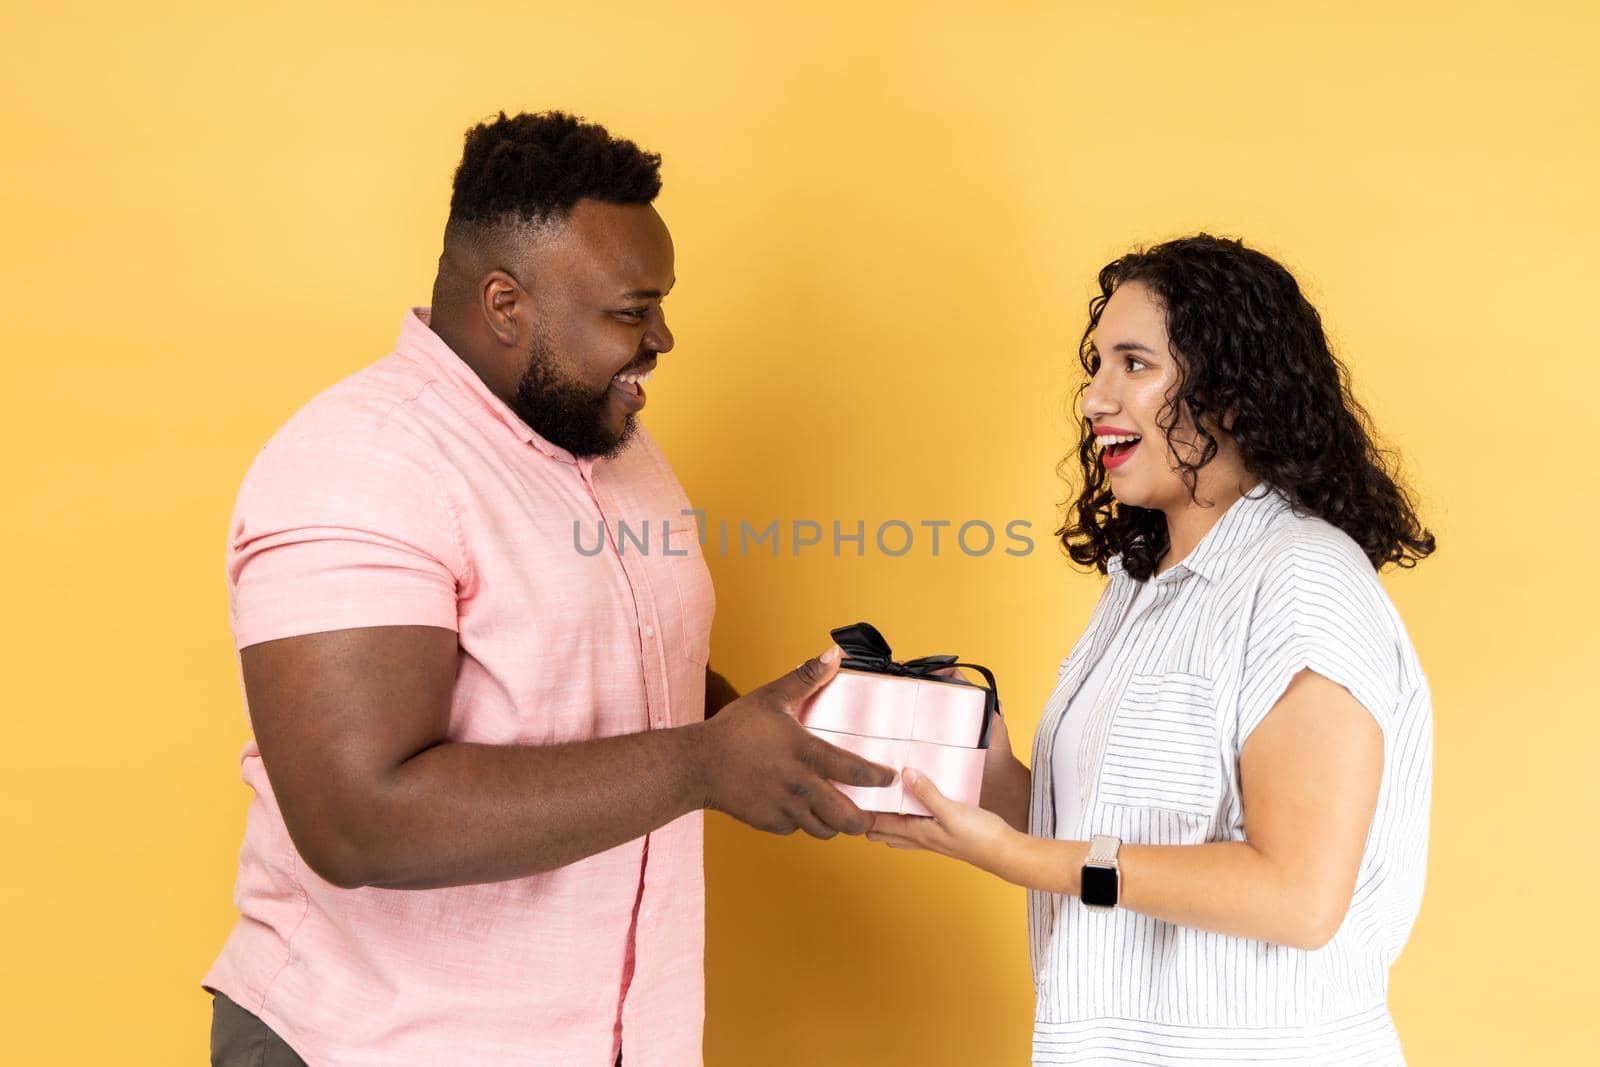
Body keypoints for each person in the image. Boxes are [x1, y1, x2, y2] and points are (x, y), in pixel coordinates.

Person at [202, 110, 893, 1067]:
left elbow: (626, 664)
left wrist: (772, 731)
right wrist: (703, 763)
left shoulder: (609, 443)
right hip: (378, 1043)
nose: (665, 336)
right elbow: (358, 819)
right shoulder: (359, 464)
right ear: (504, 303)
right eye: (630, 309)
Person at [868, 235, 1435, 1065]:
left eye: (1135, 364)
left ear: (1233, 394)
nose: (1095, 398)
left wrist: (1022, 860)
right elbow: (1108, 836)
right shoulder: (1143, 583)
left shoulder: (1304, 580)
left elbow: (1300, 895)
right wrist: (985, 764)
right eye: (1098, 365)